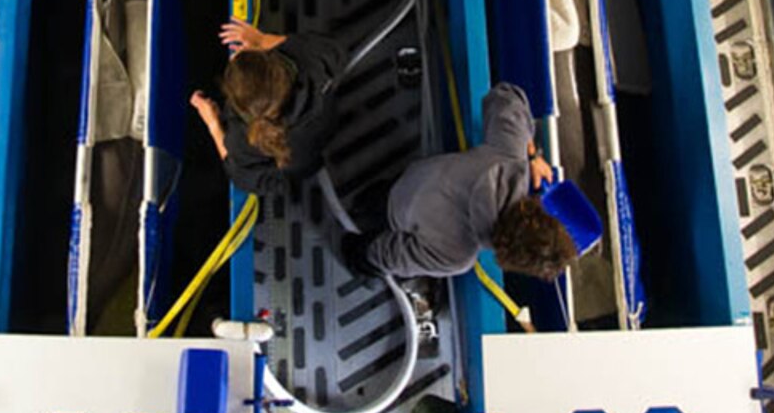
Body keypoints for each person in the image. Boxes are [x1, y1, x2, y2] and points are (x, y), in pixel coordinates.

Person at [343, 83, 578, 280]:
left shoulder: (510, 154)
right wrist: (363, 256)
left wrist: (532, 154)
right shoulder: (456, 255)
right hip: (399, 215)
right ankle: (350, 248)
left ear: (541, 209)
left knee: (374, 198)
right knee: (368, 254)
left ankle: (358, 204)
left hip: (409, 179)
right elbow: (393, 256)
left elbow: (506, 94)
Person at [191, 18, 346, 192]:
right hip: (329, 123)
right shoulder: (312, 67)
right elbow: (333, 49)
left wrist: (214, 125)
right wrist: (262, 40)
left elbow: (242, 177)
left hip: (303, 167)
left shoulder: (240, 141)